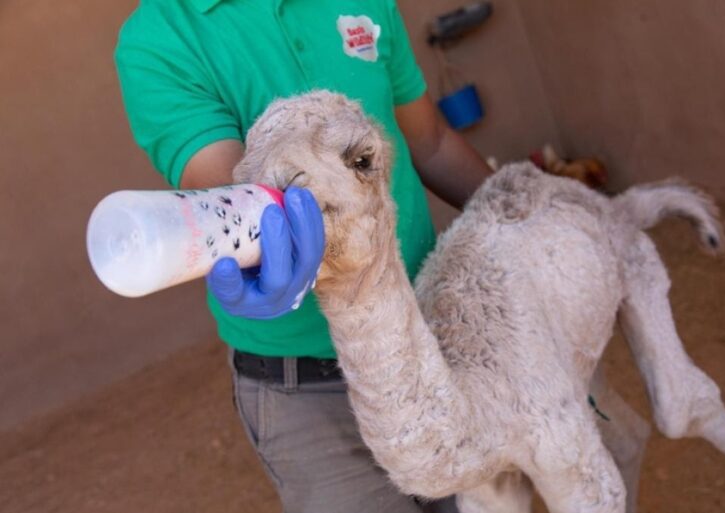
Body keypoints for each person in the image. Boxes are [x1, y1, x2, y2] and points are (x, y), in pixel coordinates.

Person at [115, 1, 492, 511]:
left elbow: (431, 142)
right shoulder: (160, 40)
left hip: (432, 341)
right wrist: (264, 248)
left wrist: (526, 215)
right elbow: (244, 210)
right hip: (309, 388)